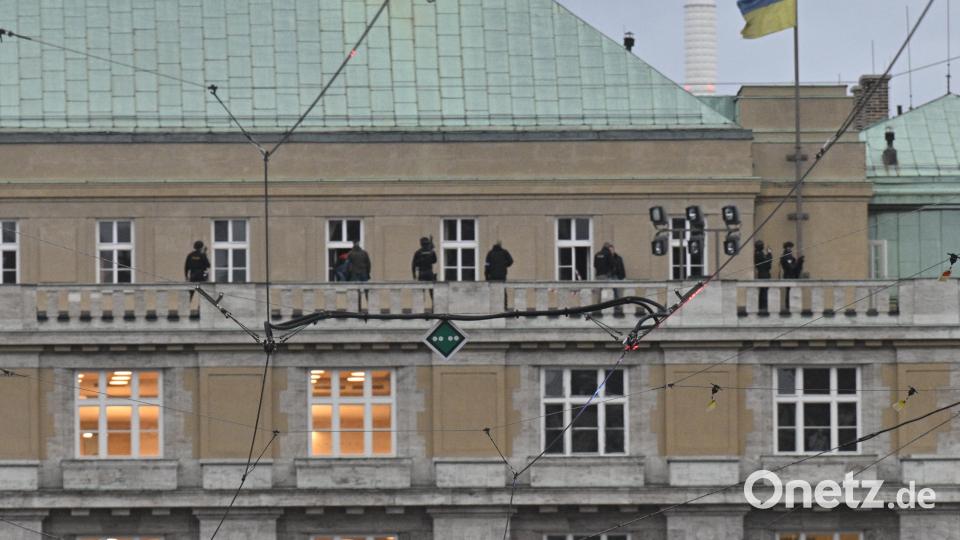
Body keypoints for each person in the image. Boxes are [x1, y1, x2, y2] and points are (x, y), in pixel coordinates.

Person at [779, 241, 804, 312]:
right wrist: (799, 262)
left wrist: (800, 262)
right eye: (789, 247)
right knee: (789, 292)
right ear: (786, 248)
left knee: (792, 292)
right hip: (789, 276)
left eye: (790, 247)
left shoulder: (790, 256)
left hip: (791, 276)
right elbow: (791, 267)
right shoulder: (786, 257)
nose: (790, 249)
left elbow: (795, 267)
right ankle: (788, 306)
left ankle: (791, 306)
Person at [754, 240, 773, 313]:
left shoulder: (759, 253)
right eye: (762, 245)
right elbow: (768, 261)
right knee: (764, 290)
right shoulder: (758, 253)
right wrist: (769, 253)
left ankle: (763, 305)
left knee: (764, 290)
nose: (763, 246)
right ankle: (763, 306)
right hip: (763, 274)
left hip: (764, 273)